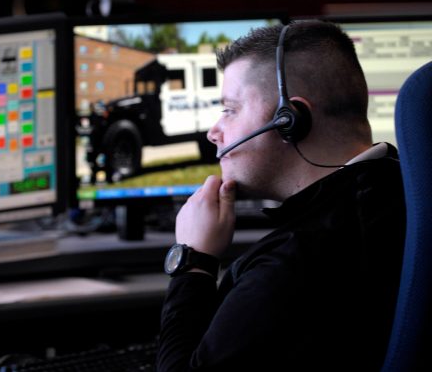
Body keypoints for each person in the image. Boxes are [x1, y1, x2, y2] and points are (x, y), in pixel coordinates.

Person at [157, 20, 406, 371]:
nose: (214, 132)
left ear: (290, 118)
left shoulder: (293, 262)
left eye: (229, 109)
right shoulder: (399, 191)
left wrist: (193, 263)